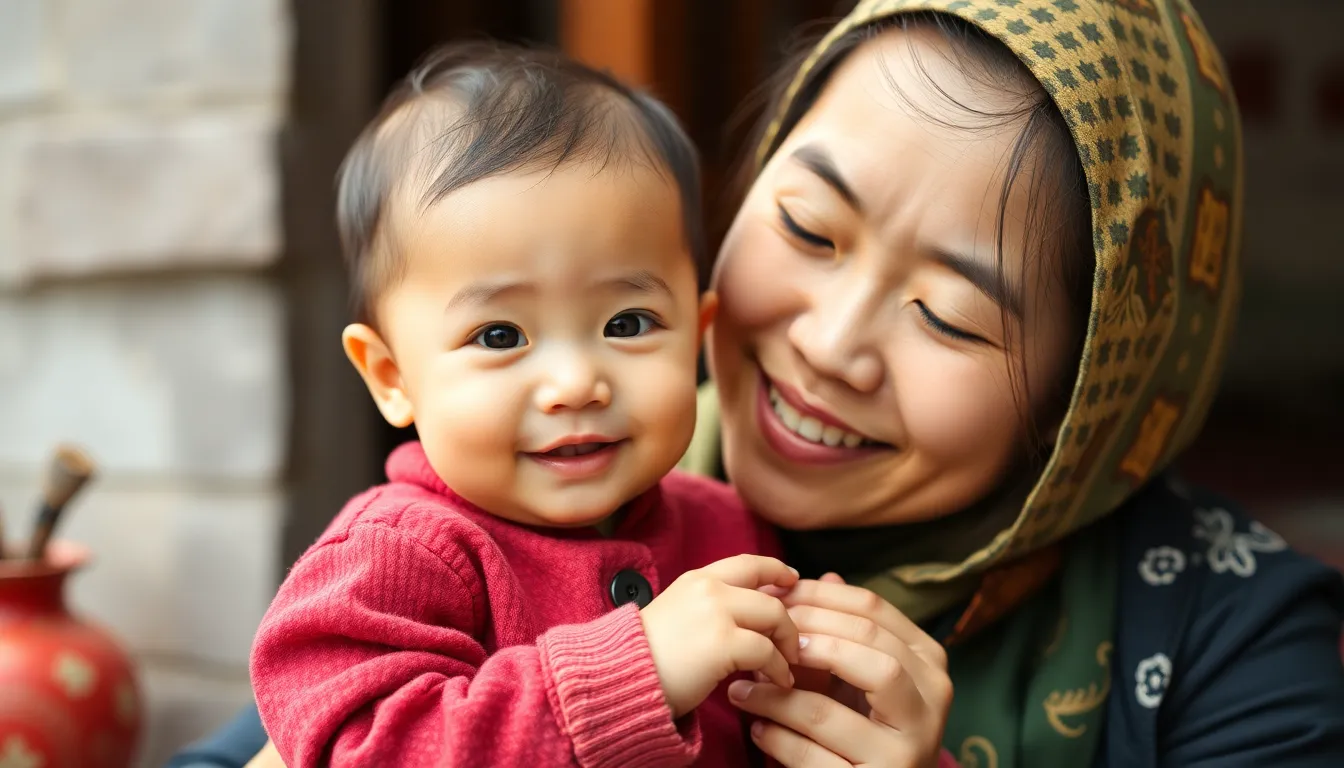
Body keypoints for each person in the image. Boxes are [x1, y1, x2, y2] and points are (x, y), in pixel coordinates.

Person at [171, 1, 1344, 766]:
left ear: (1090, 391)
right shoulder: (501, 517)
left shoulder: (1237, 647)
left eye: (947, 313)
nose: (829, 344)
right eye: (807, 226)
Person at [247, 42, 818, 768]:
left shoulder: (731, 531)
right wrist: (637, 669)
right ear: (391, 376)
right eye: (500, 334)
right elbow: (363, 747)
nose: (576, 383)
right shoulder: (397, 557)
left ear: (698, 339)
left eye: (628, 323)